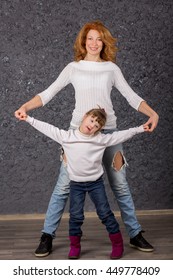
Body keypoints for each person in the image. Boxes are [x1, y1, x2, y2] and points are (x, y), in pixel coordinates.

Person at [14, 20, 159, 257]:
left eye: (99, 38)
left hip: (109, 134)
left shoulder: (112, 69)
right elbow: (47, 94)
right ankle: (47, 236)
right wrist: (25, 107)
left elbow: (132, 97)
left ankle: (135, 234)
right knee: (63, 187)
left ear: (104, 42)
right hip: (77, 136)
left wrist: (152, 113)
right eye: (90, 38)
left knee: (120, 186)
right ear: (84, 41)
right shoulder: (73, 68)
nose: (94, 43)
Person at [20, 107, 150, 258]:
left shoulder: (101, 139)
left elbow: (121, 135)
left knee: (105, 214)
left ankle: (117, 244)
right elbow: (48, 128)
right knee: (75, 216)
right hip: (76, 185)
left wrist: (140, 129)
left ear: (99, 129)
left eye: (97, 125)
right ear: (85, 116)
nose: (92, 125)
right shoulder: (67, 137)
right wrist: (28, 118)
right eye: (92, 120)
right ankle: (75, 246)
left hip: (96, 184)